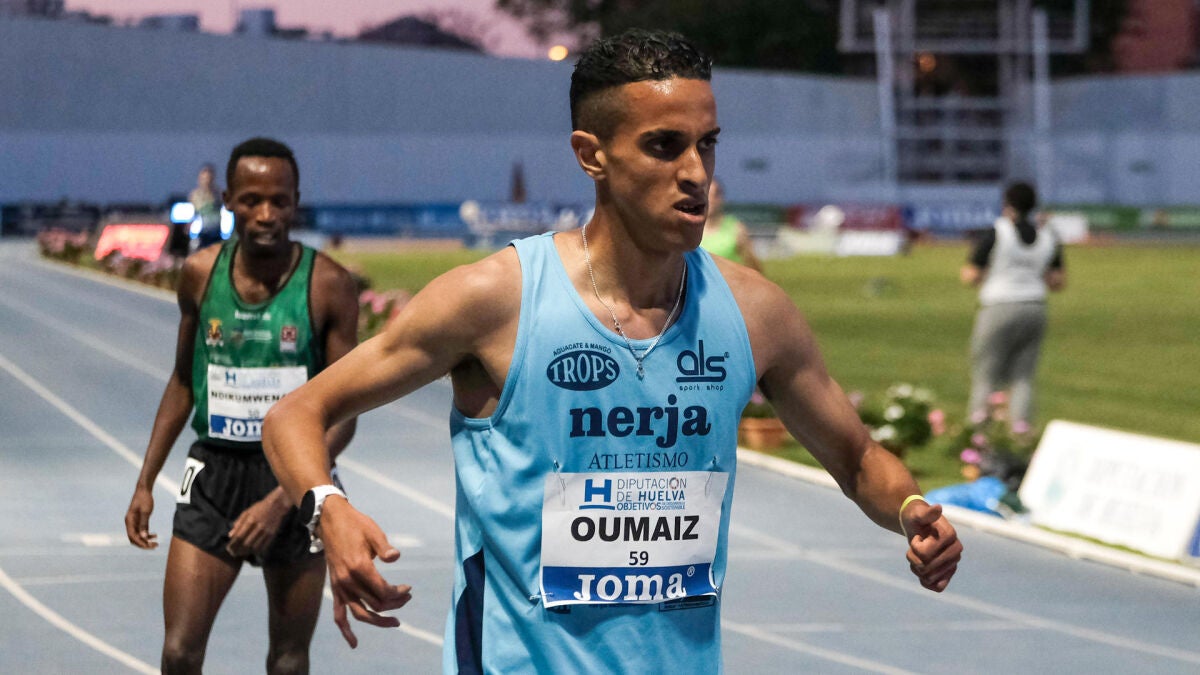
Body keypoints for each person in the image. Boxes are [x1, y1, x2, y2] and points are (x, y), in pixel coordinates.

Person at [261, 29, 961, 673]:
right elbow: (296, 413)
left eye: (708, 144)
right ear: (591, 154)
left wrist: (910, 510)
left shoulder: (756, 313)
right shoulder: (496, 299)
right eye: (665, 146)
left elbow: (857, 457)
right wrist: (328, 507)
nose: (696, 172)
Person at [124, 137, 361, 674]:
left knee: (288, 661)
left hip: (298, 479)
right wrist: (145, 482)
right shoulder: (200, 274)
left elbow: (344, 413)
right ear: (228, 200)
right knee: (179, 653)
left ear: (296, 202)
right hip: (213, 475)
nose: (266, 214)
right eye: (252, 200)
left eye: (279, 201)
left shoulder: (328, 285)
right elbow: (182, 381)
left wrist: (283, 499)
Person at [961, 181, 1065, 429]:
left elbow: (971, 275)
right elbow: (1057, 281)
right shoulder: (1047, 235)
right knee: (1023, 377)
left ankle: (978, 433)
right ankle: (1020, 431)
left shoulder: (998, 231)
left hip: (999, 305)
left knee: (986, 374)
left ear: (1007, 204)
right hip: (1035, 306)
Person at [700, 176, 762, 272]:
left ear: (721, 198)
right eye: (706, 195)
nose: (710, 200)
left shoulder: (736, 229)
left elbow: (754, 267)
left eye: (714, 195)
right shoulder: (688, 230)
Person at [190, 163, 224, 251]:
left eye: (209, 178)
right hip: (203, 234)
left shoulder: (218, 194)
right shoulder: (195, 195)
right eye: (204, 178)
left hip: (217, 233)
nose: (207, 181)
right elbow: (194, 215)